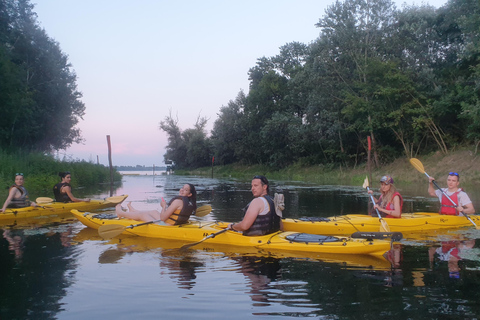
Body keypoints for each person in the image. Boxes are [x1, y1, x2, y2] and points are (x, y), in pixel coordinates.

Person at [116, 183, 197, 225]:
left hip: (166, 225)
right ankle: (133, 211)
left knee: (143, 216)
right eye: (182, 188)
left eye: (185, 190)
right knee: (154, 212)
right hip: (174, 223)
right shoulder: (191, 203)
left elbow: (162, 218)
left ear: (190, 194)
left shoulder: (177, 202)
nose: (182, 190)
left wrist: (163, 206)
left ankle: (121, 213)